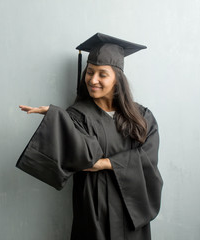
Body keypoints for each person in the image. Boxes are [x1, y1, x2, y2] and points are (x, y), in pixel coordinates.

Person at [16, 33, 163, 240]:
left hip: (132, 208)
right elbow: (85, 158)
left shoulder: (142, 116)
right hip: (95, 210)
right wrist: (57, 116)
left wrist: (106, 163)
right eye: (90, 72)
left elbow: (148, 158)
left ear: (117, 79)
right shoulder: (77, 115)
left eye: (102, 74)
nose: (93, 80)